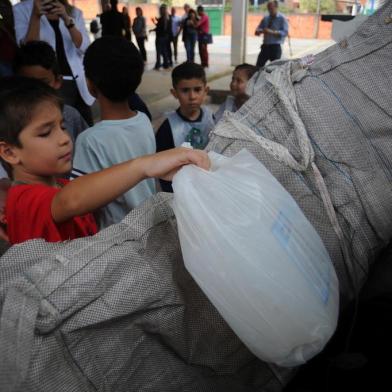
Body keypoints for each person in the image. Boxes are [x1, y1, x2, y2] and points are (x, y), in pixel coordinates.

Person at [0, 76, 209, 244]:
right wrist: (145, 165)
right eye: (46, 133)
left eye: (62, 127)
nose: (64, 138)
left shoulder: (62, 186)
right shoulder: (23, 200)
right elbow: (71, 200)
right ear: (9, 152)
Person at [70, 36, 156, 229]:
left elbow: (78, 201)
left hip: (115, 239)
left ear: (90, 84)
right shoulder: (143, 120)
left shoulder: (89, 140)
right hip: (149, 225)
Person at [13, 0, 94, 125]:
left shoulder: (74, 12)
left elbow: (84, 47)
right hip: (49, 81)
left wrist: (67, 20)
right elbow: (27, 50)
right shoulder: (22, 10)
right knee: (62, 126)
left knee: (85, 125)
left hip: (77, 81)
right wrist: (35, 16)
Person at [155, 62, 214, 192]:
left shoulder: (212, 119)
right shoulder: (167, 127)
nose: (192, 97)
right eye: (185, 90)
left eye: (197, 90)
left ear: (206, 90)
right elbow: (162, 168)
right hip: (180, 191)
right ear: (174, 93)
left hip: (210, 185)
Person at [13, 40, 88, 143]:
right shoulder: (9, 121)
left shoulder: (71, 116)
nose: (35, 90)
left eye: (43, 83)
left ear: (57, 81)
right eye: (27, 84)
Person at [255, 0, 288, 68]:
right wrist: (261, 31)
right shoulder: (266, 18)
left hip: (275, 47)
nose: (270, 10)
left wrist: (272, 32)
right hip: (265, 47)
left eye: (271, 8)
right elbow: (257, 30)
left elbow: (285, 32)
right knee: (258, 67)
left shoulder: (282, 18)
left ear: (276, 7)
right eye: (268, 8)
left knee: (275, 69)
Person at [150, 4, 171, 71]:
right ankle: (166, 64)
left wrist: (154, 22)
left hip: (160, 37)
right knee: (164, 51)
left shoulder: (162, 18)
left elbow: (160, 28)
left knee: (159, 51)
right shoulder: (167, 18)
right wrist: (156, 22)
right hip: (165, 37)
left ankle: (158, 65)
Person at [0, 0, 17, 77]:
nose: (2, 10)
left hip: (17, 57)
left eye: (4, 7)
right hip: (4, 58)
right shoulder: (1, 22)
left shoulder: (17, 20)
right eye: (0, 8)